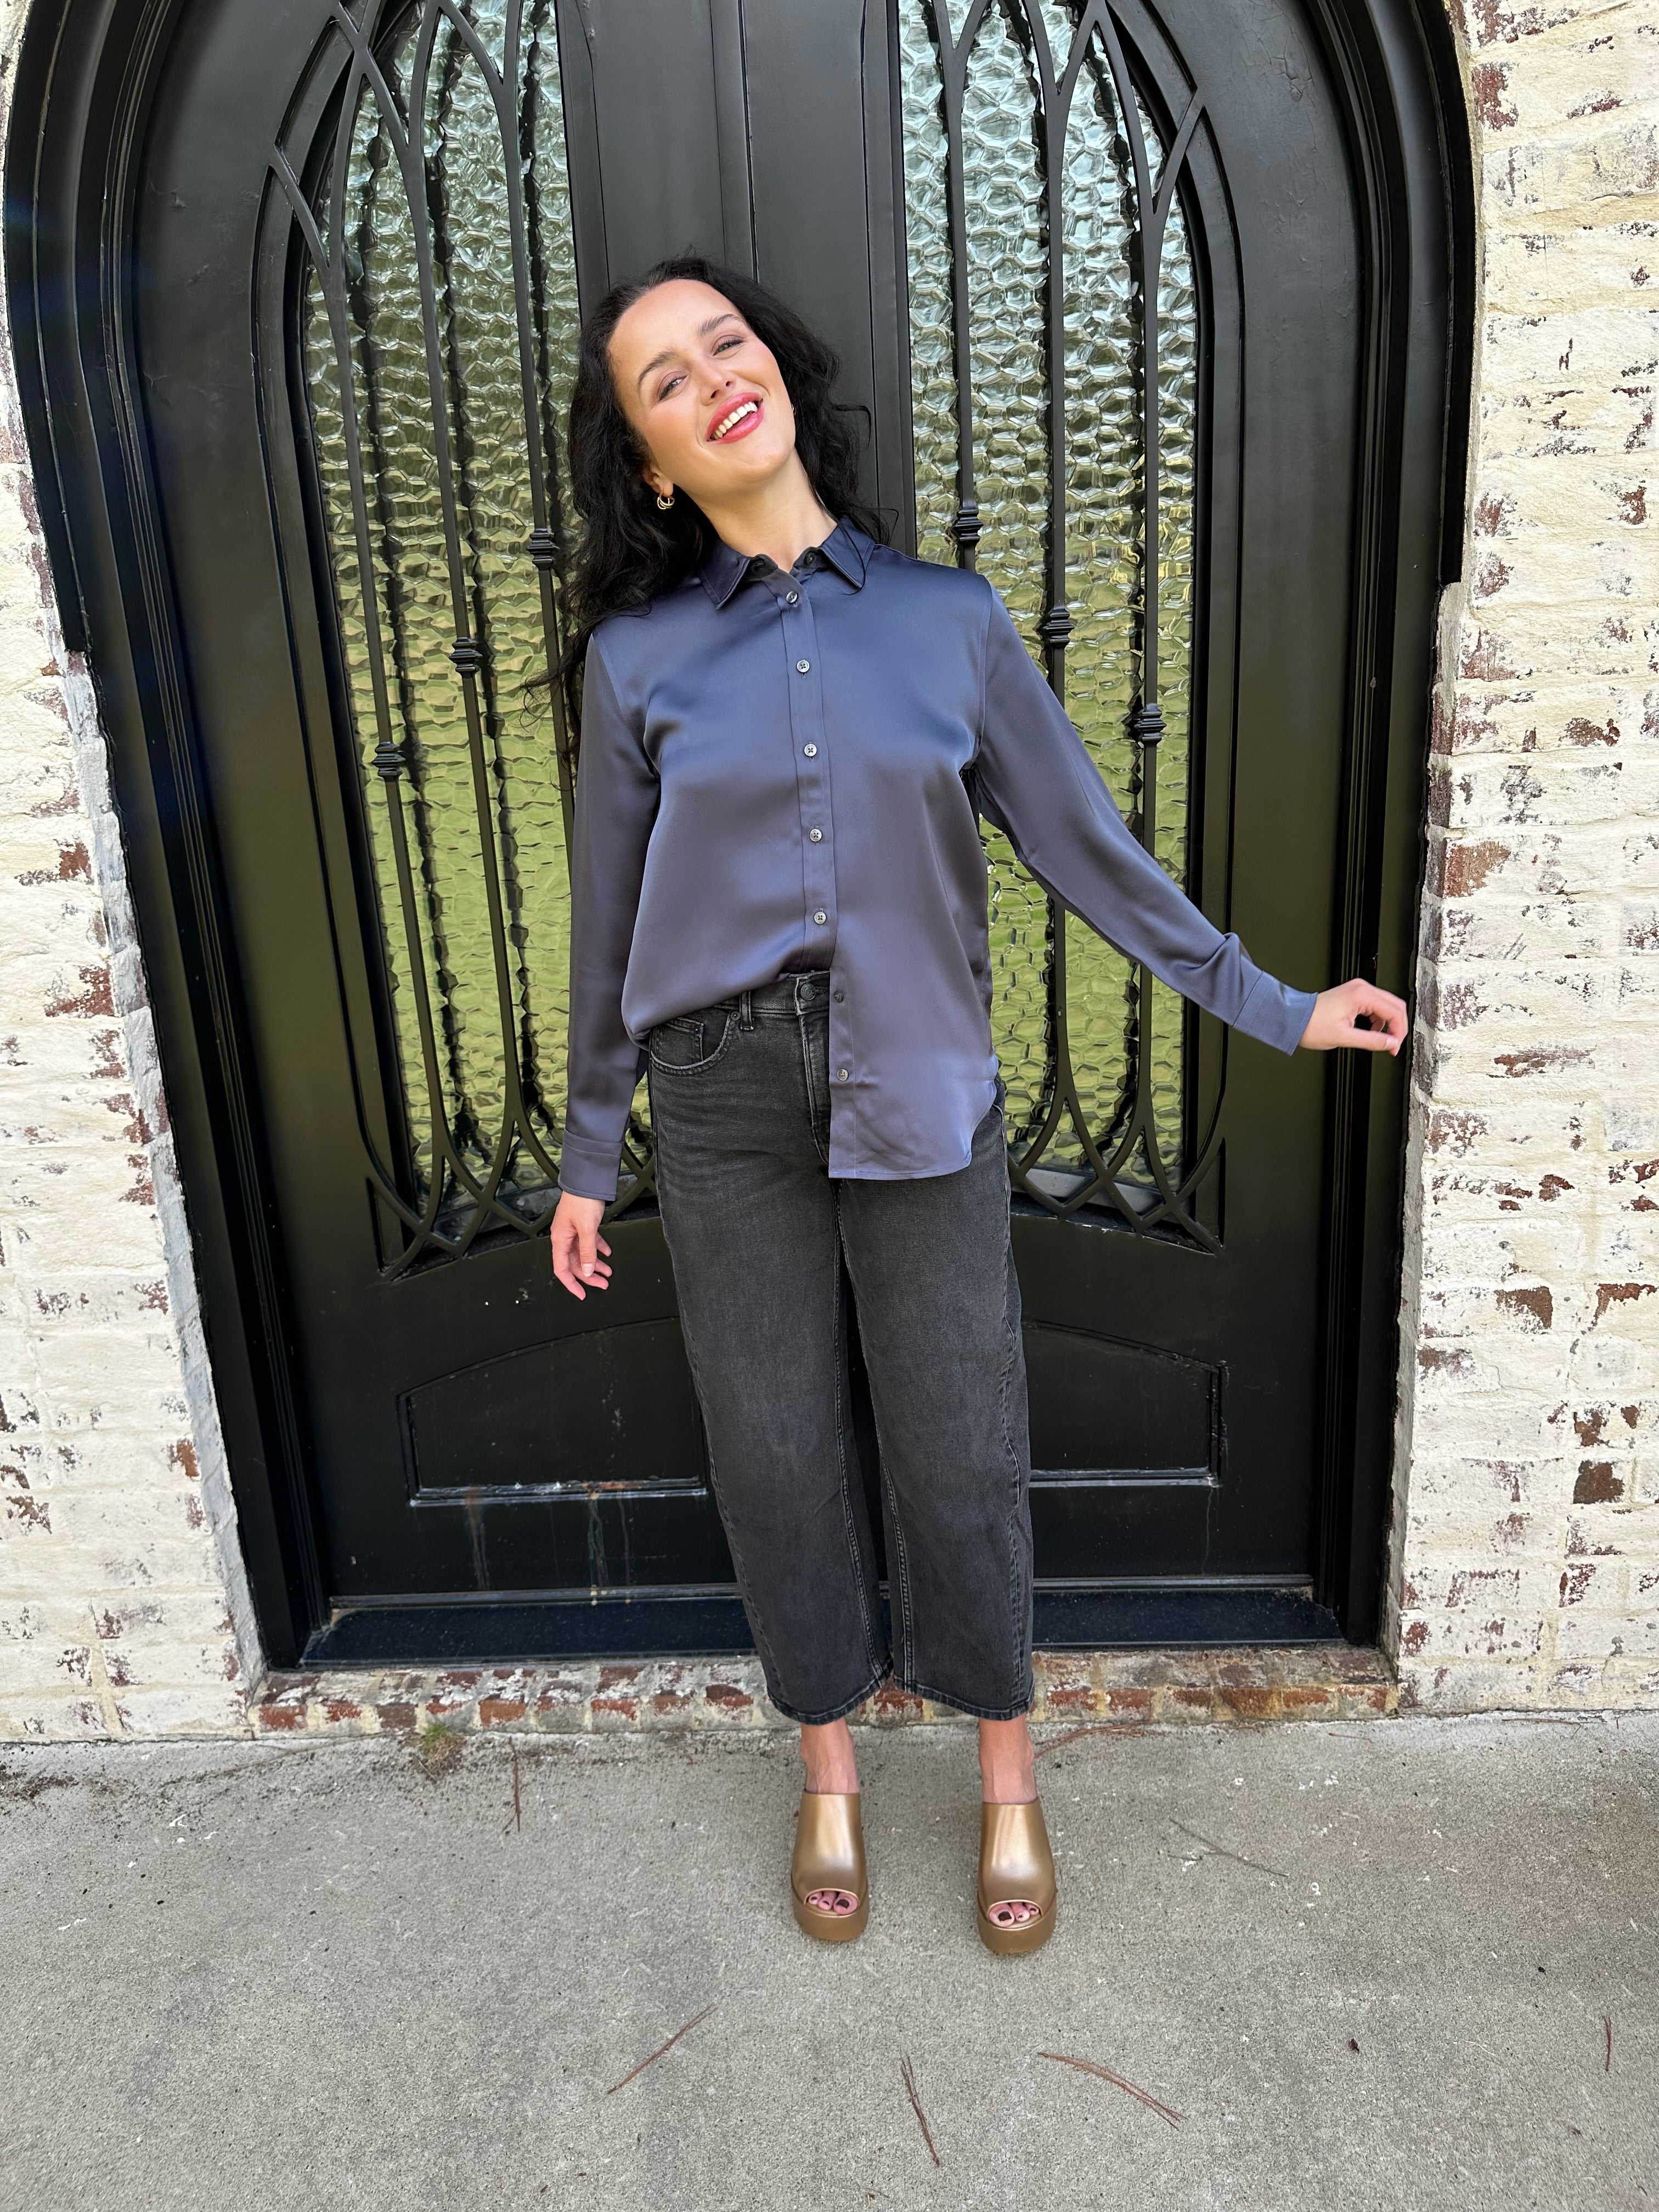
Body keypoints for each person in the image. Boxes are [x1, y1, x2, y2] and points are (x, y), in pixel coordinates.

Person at [547, 255, 1407, 1955]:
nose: (712, 378)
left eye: (725, 342)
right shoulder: (638, 662)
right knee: (775, 1449)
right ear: (651, 465)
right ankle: (828, 1765)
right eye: (665, 380)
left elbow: (1087, 846)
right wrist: (589, 1152)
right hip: (721, 1103)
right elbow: (608, 923)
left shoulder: (947, 620)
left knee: (961, 1438)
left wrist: (1276, 1003)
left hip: (923, 1075)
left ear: (778, 370)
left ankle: (1008, 1774)